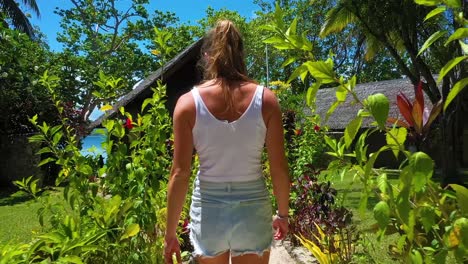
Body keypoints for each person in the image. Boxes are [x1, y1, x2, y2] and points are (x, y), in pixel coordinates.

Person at [164, 20, 290, 264]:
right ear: (241, 54)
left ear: (208, 56)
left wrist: (170, 234)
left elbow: (180, 173)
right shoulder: (267, 100)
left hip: (209, 210)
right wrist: (283, 214)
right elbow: (279, 168)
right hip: (252, 209)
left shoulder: (188, 104)